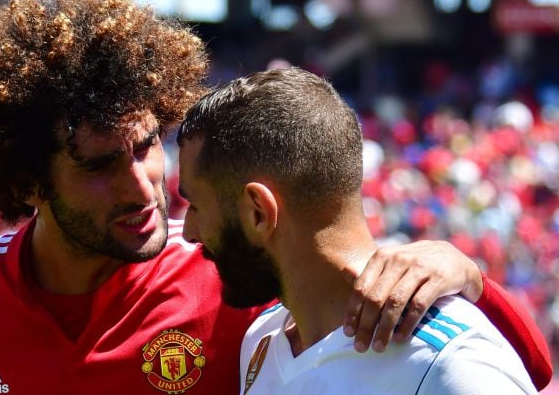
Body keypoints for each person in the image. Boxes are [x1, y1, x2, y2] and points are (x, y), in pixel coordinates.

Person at [0, 0, 551, 394]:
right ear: (27, 180)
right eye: (100, 165)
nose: (143, 187)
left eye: (146, 148)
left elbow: (523, 369)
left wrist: (464, 274)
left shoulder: (230, 279)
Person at [177, 67, 539, 394]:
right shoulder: (262, 340)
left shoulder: (449, 363)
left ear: (258, 212)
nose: (189, 232)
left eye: (195, 206)